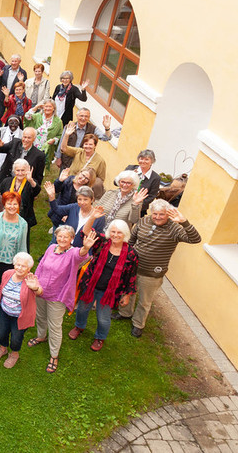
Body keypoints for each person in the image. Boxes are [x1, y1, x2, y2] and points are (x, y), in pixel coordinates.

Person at [117, 200, 201, 337]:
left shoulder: (175, 228)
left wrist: (184, 222)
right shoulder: (144, 221)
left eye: (161, 214)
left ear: (168, 214)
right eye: (155, 214)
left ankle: (138, 324)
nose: (157, 217)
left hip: (152, 273)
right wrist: (127, 257)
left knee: (145, 300)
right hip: (134, 266)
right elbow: (132, 240)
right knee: (128, 291)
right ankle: (124, 313)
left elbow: (195, 239)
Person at [30, 226, 95, 373]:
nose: (62, 239)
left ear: (72, 239)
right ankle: (41, 336)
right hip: (40, 291)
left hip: (58, 296)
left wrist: (85, 247)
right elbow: (41, 266)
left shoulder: (72, 253)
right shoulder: (51, 247)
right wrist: (35, 283)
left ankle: (54, 355)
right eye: (60, 236)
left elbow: (81, 255)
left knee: (55, 326)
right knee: (40, 317)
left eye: (66, 237)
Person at [68, 217, 138, 350]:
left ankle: (100, 338)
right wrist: (93, 216)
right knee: (82, 309)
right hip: (91, 285)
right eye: (113, 231)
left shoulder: (131, 254)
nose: (115, 235)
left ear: (125, 234)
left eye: (119, 233)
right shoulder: (102, 242)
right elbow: (86, 231)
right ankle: (79, 327)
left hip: (110, 292)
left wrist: (127, 295)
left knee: (103, 318)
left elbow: (132, 276)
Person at [0, 252, 41, 369]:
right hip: (4, 311)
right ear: (14, 264)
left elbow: (39, 291)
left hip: (20, 315)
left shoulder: (31, 279)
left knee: (16, 338)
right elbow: (0, 289)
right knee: (1, 332)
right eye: (18, 264)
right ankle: (3, 349)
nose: (20, 268)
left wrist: (35, 288)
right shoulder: (7, 274)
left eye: (23, 266)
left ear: (29, 268)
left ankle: (14, 354)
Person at [60, 124, 108, 198]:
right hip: (70, 185)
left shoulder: (100, 160)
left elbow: (100, 179)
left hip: (83, 192)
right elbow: (64, 149)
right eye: (86, 144)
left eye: (90, 144)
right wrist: (66, 135)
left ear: (95, 146)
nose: (87, 146)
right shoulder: (79, 152)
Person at [0, 158, 39, 240]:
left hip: (23, 217)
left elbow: (36, 191)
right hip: (6, 216)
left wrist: (30, 180)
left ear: (27, 170)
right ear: (14, 171)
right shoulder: (7, 181)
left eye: (23, 170)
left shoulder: (30, 183)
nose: (20, 173)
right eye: (18, 170)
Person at [119, 150, 161, 216]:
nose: (143, 161)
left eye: (146, 159)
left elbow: (151, 196)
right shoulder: (130, 168)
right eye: (141, 159)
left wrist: (136, 204)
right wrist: (130, 175)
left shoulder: (155, 178)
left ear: (152, 161)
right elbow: (116, 182)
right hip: (121, 202)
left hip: (139, 208)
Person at [0, 115, 22, 179]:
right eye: (11, 122)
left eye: (15, 122)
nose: (13, 125)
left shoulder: (22, 134)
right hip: (0, 158)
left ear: (19, 124)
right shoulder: (2, 130)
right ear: (8, 123)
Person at [0, 54, 28, 120]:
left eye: (15, 61)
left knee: (11, 117)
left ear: (19, 61)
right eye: (12, 61)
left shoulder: (22, 72)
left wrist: (21, 80)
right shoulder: (5, 68)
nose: (13, 63)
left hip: (14, 100)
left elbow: (23, 88)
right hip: (2, 97)